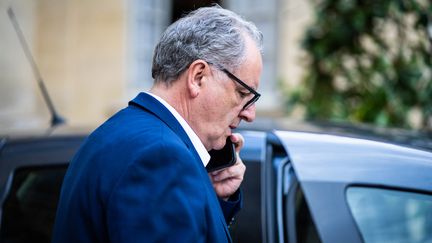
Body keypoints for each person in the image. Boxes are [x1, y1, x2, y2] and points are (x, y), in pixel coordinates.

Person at [52, 4, 263, 243]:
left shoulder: (115, 131)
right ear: (198, 77)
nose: (250, 114)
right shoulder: (163, 158)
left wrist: (212, 199)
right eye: (242, 92)